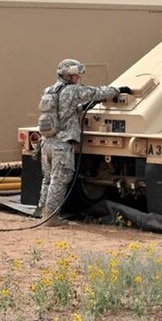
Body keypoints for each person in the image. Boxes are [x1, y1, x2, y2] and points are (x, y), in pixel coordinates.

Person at [37, 58, 131, 227]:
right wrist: (117, 90)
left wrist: (85, 106)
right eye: (77, 75)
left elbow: (63, 112)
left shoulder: (49, 90)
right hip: (62, 144)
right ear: (70, 75)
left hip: (47, 143)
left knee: (48, 179)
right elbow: (96, 92)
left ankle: (42, 212)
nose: (79, 78)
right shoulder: (72, 91)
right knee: (60, 179)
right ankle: (51, 218)